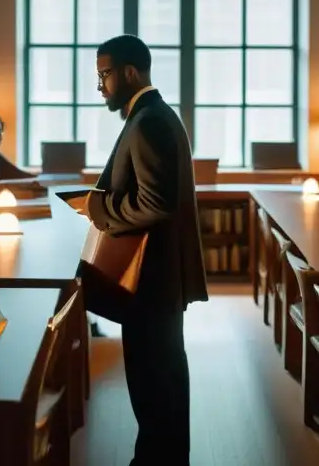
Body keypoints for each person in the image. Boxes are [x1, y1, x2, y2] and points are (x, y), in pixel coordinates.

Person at [78, 34, 207, 466]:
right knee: (160, 383)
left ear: (130, 73)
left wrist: (98, 206)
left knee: (156, 385)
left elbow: (156, 204)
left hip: (150, 280)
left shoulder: (149, 121)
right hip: (154, 279)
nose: (100, 86)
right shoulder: (150, 115)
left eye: (105, 75)